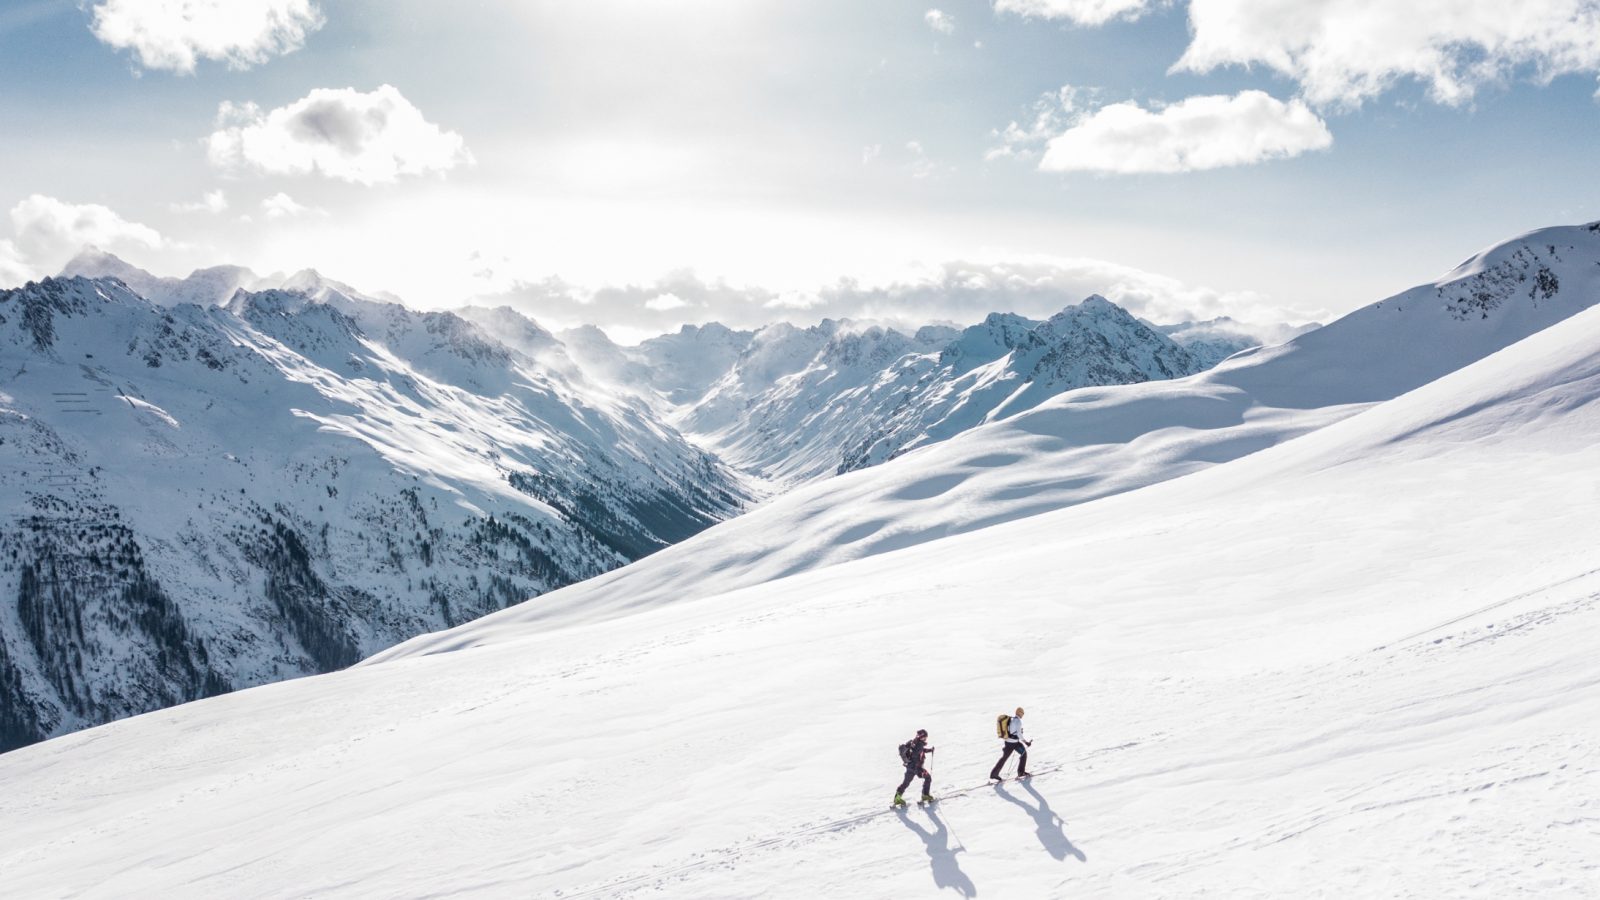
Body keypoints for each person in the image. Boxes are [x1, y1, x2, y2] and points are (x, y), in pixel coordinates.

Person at [893, 728, 936, 806]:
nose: (926, 738)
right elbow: (917, 753)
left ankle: (897, 798)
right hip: (916, 767)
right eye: (925, 737)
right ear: (921, 737)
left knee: (905, 783)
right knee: (928, 778)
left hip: (909, 767)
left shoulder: (914, 742)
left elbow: (920, 750)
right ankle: (925, 795)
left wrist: (930, 750)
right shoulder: (919, 744)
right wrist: (919, 769)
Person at [989, 706, 1032, 780]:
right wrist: (1026, 742)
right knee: (1023, 754)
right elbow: (1019, 734)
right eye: (1022, 713)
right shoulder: (1018, 721)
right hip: (1013, 743)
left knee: (1004, 758)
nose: (1023, 715)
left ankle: (994, 774)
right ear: (1020, 713)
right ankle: (1021, 772)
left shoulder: (1011, 719)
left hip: (1008, 742)